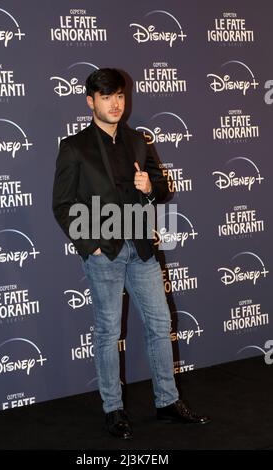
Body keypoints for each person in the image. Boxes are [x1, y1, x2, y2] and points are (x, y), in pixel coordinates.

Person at [52, 68, 210, 440]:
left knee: (160, 325)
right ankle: (114, 410)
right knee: (108, 333)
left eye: (119, 96)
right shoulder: (74, 147)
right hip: (103, 251)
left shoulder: (140, 141)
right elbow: (62, 204)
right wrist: (89, 245)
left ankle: (167, 402)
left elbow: (163, 190)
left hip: (141, 248)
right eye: (106, 97)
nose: (115, 104)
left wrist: (150, 185)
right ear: (91, 101)